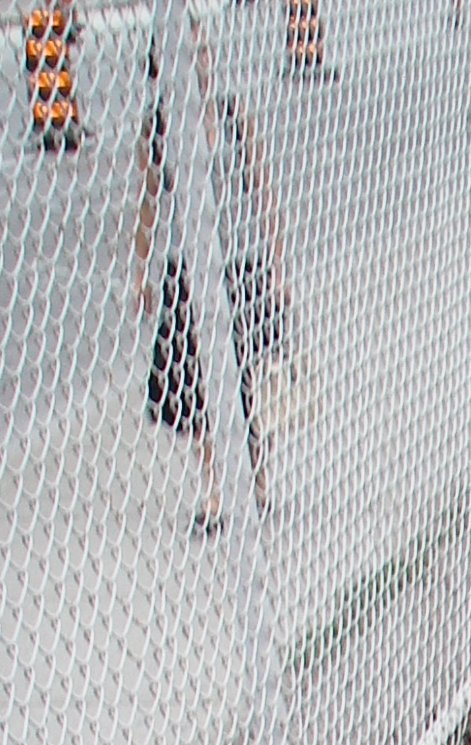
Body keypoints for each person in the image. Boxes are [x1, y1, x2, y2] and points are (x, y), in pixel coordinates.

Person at [133, 29, 290, 533]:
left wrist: (278, 262)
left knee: (251, 375)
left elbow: (262, 189)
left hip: (239, 259)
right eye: (184, 54)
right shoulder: (158, 128)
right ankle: (216, 484)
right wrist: (140, 274)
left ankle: (258, 474)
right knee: (194, 384)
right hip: (187, 264)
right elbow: (149, 203)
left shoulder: (231, 115)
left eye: (200, 52)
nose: (197, 62)